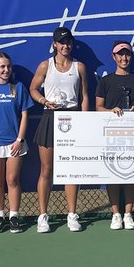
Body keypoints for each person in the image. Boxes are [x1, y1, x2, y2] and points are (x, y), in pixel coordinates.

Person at [30, 27, 91, 233]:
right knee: (46, 170)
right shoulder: (45, 65)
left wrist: (83, 121)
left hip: (73, 119)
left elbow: (84, 96)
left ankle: (72, 215)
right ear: (54, 44)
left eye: (68, 42)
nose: (65, 46)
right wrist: (43, 100)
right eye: (61, 42)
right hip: (50, 118)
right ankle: (43, 216)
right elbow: (33, 89)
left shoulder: (79, 67)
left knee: (71, 170)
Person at [95, 40, 134, 230]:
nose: (124, 58)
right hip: (111, 134)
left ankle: (128, 214)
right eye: (120, 54)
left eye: (127, 54)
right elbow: (98, 107)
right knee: (113, 174)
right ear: (114, 57)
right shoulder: (105, 81)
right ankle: (116, 214)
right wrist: (111, 111)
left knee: (131, 173)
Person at [0, 51, 33, 233]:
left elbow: (25, 115)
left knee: (12, 180)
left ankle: (14, 216)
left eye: (8, 66)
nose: (6, 70)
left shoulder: (18, 87)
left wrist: (20, 139)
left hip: (14, 142)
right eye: (2, 66)